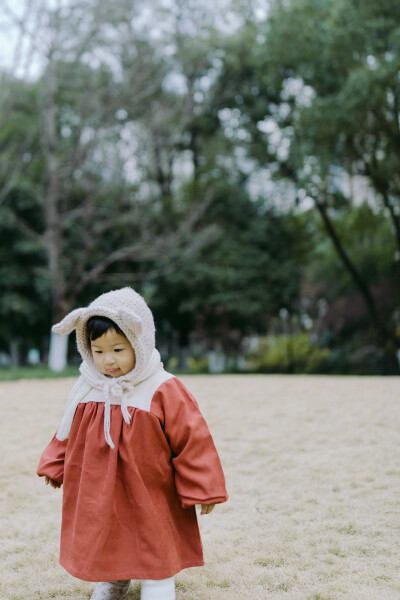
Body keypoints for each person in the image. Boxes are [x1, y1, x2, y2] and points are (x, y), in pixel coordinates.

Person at [37, 287, 228, 600]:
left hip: (149, 483)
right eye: (98, 351)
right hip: (100, 483)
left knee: (153, 531)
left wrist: (203, 487)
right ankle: (114, 578)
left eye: (118, 349)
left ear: (139, 342)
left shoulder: (161, 387)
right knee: (106, 528)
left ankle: (158, 583)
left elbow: (192, 438)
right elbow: (67, 428)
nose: (108, 360)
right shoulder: (87, 384)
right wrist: (55, 462)